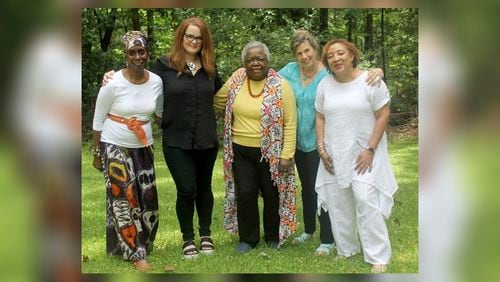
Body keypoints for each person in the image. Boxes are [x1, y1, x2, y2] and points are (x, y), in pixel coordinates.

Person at [103, 17, 223, 259]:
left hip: (206, 140)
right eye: (189, 36)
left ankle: (206, 234)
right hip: (176, 140)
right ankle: (188, 238)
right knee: (187, 189)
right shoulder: (164, 65)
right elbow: (136, 76)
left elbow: (224, 94)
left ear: (204, 41)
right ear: (181, 37)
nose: (194, 41)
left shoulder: (209, 67)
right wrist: (111, 75)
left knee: (204, 188)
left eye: (199, 38)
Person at [278, 30, 385, 255]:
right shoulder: (288, 71)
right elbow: (268, 79)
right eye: (299, 53)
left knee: (327, 189)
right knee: (308, 187)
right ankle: (309, 230)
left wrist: (378, 70)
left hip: (327, 140)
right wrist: (241, 72)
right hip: (300, 141)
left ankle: (327, 239)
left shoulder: (327, 73)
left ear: (315, 50)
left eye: (307, 50)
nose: (304, 56)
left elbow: (352, 74)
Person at [314, 38, 397, 273]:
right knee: (338, 201)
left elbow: (383, 114)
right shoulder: (325, 85)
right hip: (334, 152)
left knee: (365, 199)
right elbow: (320, 116)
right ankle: (346, 249)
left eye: (340, 53)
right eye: (330, 56)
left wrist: (370, 149)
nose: (336, 58)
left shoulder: (371, 81)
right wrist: (321, 148)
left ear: (351, 55)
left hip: (365, 152)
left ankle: (378, 255)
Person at [214, 41, 297, 253]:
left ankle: (272, 236)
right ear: (244, 63)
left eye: (260, 58)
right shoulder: (237, 81)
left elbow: (290, 121)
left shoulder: (281, 86)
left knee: (272, 194)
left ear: (268, 61)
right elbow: (216, 102)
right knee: (245, 194)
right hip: (240, 150)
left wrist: (287, 154)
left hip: (271, 152)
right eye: (250, 60)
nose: (255, 63)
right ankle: (248, 239)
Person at [92, 31, 163, 272]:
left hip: (144, 145)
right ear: (125, 55)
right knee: (124, 198)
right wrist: (96, 153)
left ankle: (127, 244)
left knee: (148, 200)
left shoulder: (156, 81)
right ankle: (135, 252)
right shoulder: (112, 82)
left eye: (141, 51)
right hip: (114, 144)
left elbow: (161, 112)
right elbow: (98, 119)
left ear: (147, 52)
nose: (137, 56)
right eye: (132, 52)